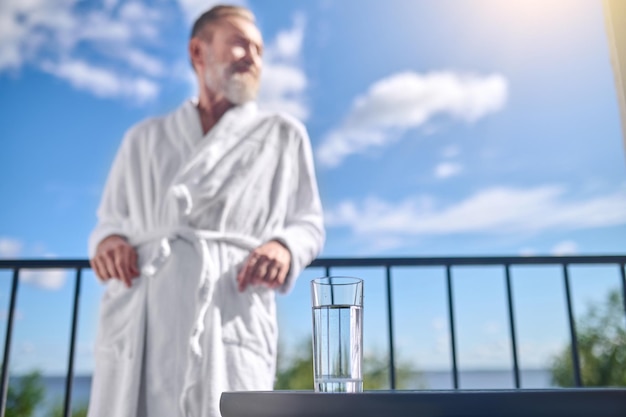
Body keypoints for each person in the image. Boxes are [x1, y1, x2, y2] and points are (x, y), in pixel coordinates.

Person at [86, 5, 325, 417]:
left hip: (229, 305)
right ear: (198, 52)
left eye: (259, 49)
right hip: (145, 309)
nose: (252, 56)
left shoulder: (283, 134)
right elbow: (110, 219)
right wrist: (108, 242)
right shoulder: (143, 138)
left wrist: (284, 247)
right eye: (238, 44)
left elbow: (308, 221)